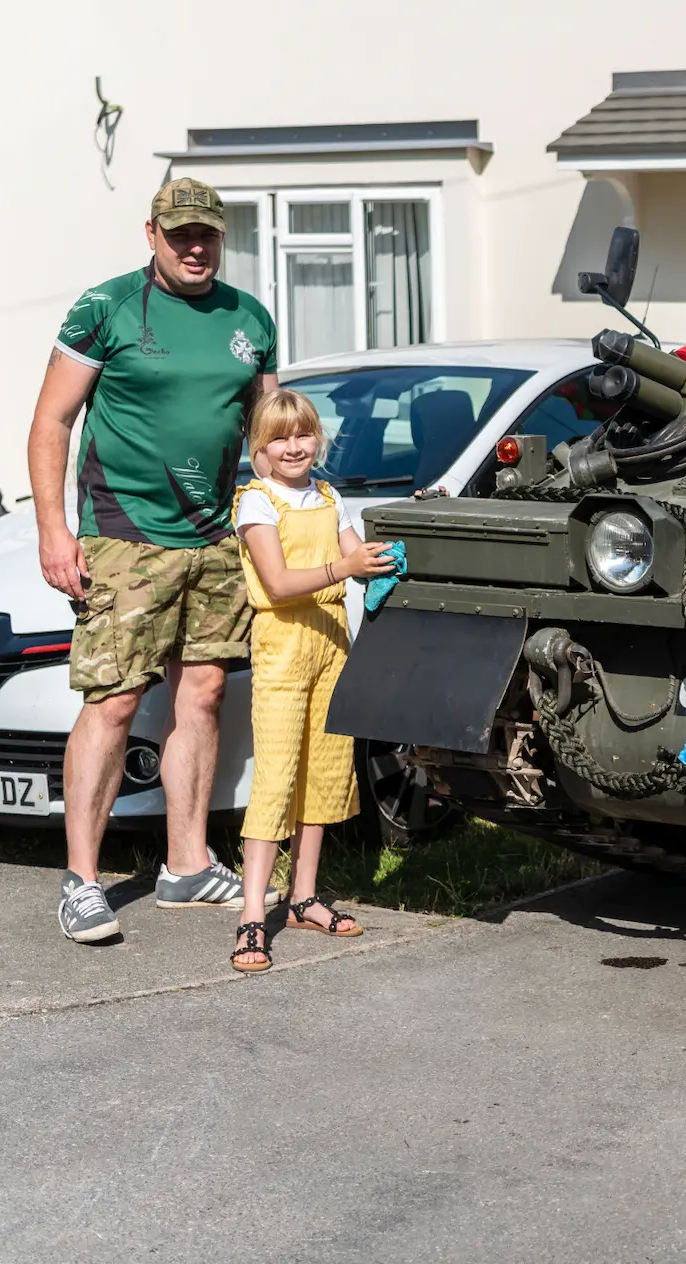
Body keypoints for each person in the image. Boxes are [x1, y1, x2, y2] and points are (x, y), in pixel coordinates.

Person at [29, 179, 281, 944]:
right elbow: (51, 422)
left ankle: (187, 864)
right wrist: (53, 532)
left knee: (201, 694)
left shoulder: (251, 319)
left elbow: (268, 435)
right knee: (112, 701)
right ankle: (82, 880)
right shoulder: (104, 309)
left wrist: (292, 525)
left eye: (207, 234)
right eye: (180, 236)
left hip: (214, 541)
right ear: (152, 235)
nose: (195, 248)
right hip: (123, 536)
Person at [228, 389, 396, 973]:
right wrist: (344, 569)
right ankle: (253, 915)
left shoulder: (329, 495)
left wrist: (387, 555)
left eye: (303, 435)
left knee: (323, 771)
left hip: (331, 643)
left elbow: (360, 556)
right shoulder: (256, 502)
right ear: (261, 449)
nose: (294, 446)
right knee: (274, 776)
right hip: (282, 645)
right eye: (280, 437)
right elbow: (276, 582)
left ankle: (303, 896)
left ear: (316, 439)